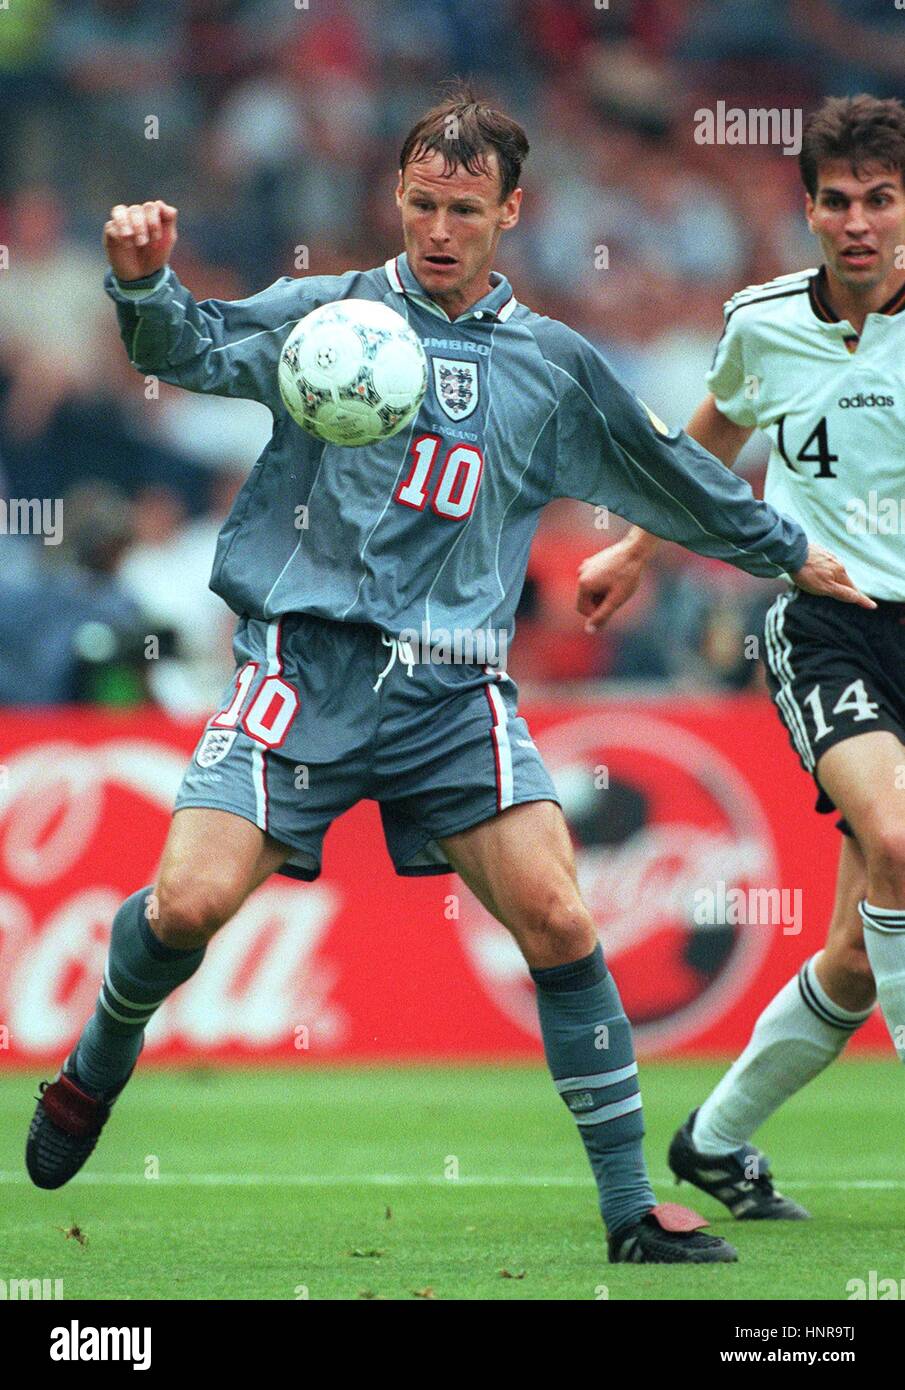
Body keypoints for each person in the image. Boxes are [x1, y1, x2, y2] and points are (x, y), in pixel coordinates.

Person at [27, 86, 866, 1265]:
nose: (436, 228)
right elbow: (192, 348)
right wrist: (141, 282)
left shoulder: (548, 364)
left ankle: (631, 1211)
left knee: (560, 916)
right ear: (397, 197)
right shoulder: (329, 317)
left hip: (453, 692)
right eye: (421, 203)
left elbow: (665, 468)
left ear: (510, 211)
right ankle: (100, 1054)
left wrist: (782, 549)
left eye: (463, 210)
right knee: (186, 907)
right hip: (299, 671)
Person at [576, 93, 905, 1221]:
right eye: (836, 201)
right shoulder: (764, 323)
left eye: (879, 200)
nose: (856, 222)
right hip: (826, 627)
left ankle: (711, 1144)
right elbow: (709, 438)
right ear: (806, 209)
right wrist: (634, 548)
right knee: (897, 837)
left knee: (855, 957)